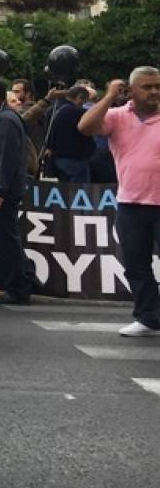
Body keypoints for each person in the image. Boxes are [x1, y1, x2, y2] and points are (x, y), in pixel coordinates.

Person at [79, 68, 160, 336]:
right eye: (147, 87)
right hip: (131, 203)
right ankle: (149, 317)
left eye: (157, 86)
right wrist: (109, 96)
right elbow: (85, 127)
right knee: (136, 264)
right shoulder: (116, 116)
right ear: (132, 90)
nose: (154, 92)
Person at [0, 76, 40, 305]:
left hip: (3, 191)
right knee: (7, 238)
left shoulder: (5, 120)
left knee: (6, 241)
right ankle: (27, 279)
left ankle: (18, 288)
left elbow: (8, 158)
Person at [46, 85, 96, 184]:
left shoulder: (51, 110)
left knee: (63, 192)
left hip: (56, 159)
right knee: (79, 193)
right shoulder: (79, 112)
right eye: (84, 101)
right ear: (79, 97)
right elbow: (87, 135)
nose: (84, 104)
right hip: (76, 159)